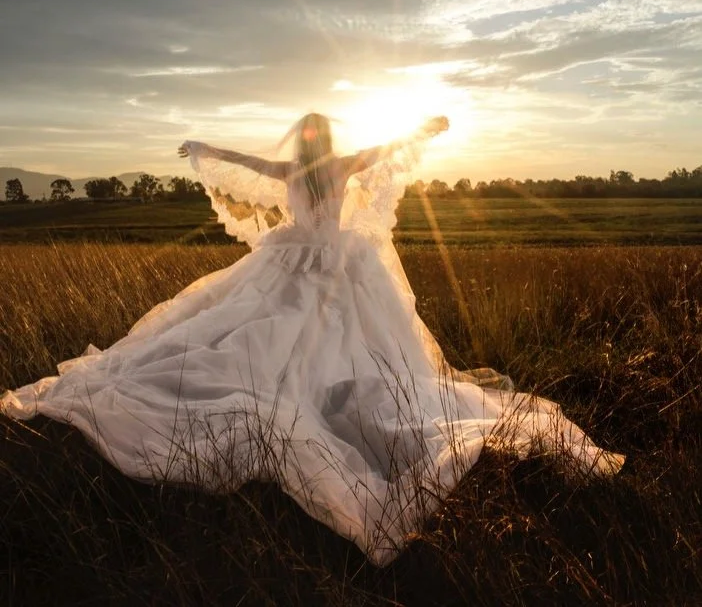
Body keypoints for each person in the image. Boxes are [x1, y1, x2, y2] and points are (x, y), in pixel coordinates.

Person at [0, 113, 624, 565]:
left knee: (333, 341)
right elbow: (242, 163)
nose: (306, 143)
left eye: (309, 135)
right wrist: (202, 147)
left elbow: (384, 148)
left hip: (329, 265)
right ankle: (302, 395)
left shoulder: (334, 163)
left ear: (314, 139)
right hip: (305, 261)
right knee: (258, 332)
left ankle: (331, 397)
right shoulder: (297, 167)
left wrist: (425, 131)